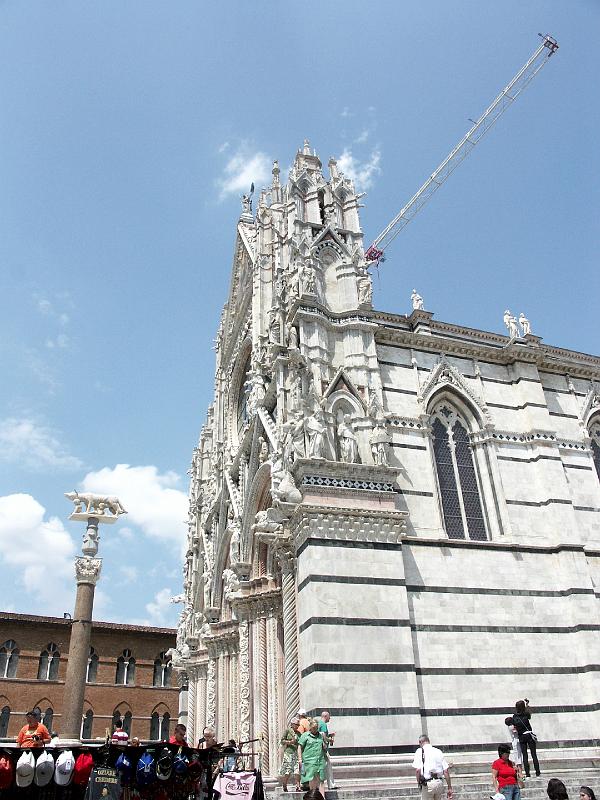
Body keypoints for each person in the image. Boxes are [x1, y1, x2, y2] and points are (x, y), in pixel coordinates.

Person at [412, 734, 453, 800]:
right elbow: (446, 771)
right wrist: (449, 787)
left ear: (420, 742)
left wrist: (419, 783)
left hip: (428, 784)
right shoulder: (438, 751)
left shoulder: (419, 751)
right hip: (438, 783)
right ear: (428, 741)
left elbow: (417, 770)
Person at [297, 718, 326, 797]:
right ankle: (312, 797)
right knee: (312, 780)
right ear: (310, 727)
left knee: (321, 780)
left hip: (320, 760)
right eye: (313, 728)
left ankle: (322, 797)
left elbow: (324, 747)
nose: (315, 730)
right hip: (309, 761)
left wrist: (324, 745)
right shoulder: (305, 735)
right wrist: (300, 759)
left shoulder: (320, 735)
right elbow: (299, 747)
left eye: (316, 728)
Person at [513, 699, 540, 778]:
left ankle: (527, 773)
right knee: (533, 754)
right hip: (529, 735)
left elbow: (514, 725)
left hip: (521, 737)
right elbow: (529, 713)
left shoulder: (515, 716)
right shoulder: (526, 714)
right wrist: (527, 704)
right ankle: (537, 771)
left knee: (525, 755)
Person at [279, 718, 301, 792]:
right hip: (288, 753)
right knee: (288, 771)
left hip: (296, 754)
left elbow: (300, 744)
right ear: (292, 724)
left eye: (298, 724)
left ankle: (298, 786)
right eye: (296, 724)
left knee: (297, 771)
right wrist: (290, 742)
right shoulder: (288, 731)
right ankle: (284, 784)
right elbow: (282, 741)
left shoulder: (298, 733)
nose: (298, 726)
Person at [318, 711, 337, 790]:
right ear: (325, 716)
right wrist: (330, 740)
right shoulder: (324, 725)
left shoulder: (319, 723)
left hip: (319, 749)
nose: (330, 718)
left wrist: (329, 735)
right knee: (328, 766)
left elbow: (321, 735)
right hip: (324, 749)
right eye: (329, 716)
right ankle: (331, 784)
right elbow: (324, 737)